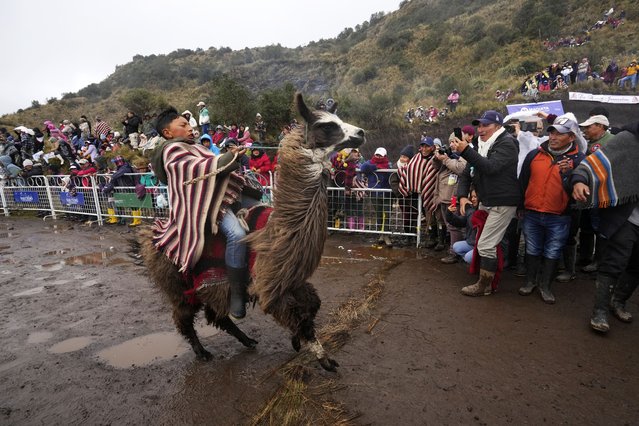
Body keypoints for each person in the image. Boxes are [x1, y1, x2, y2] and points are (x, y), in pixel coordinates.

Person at [151, 107, 253, 318]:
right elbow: (200, 170)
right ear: (167, 133)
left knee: (258, 208)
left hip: (220, 198)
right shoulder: (172, 151)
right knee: (237, 235)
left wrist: (231, 157)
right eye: (183, 125)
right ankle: (237, 293)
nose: (190, 128)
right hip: (201, 208)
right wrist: (228, 158)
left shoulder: (193, 147)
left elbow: (213, 166)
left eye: (189, 124)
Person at [571, 120, 639, 333]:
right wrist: (579, 180)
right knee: (613, 262)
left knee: (637, 266)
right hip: (627, 216)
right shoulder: (629, 140)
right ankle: (599, 311)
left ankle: (618, 301)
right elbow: (592, 164)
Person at [451, 110, 520, 296]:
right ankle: (486, 277)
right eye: (479, 125)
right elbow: (467, 172)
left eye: (486, 125)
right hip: (487, 200)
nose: (480, 129)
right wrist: (462, 196)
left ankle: (485, 285)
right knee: (486, 242)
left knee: (486, 245)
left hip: (502, 202)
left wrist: (466, 151)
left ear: (497, 126)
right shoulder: (479, 145)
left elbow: (490, 167)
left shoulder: (508, 143)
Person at [518, 116, 585, 303]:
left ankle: (545, 286)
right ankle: (530, 281)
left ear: (571, 137)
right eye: (552, 133)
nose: (553, 137)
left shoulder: (579, 160)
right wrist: (521, 206)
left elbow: (580, 191)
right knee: (532, 247)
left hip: (559, 216)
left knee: (553, 250)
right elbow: (523, 182)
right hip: (532, 212)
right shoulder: (534, 154)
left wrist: (569, 174)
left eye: (560, 134)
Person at [433, 133, 468, 263]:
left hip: (453, 197)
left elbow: (461, 168)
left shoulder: (465, 154)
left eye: (455, 141)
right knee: (449, 225)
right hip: (444, 196)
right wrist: (438, 158)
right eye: (451, 142)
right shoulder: (449, 154)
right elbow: (436, 167)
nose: (453, 144)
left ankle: (455, 253)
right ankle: (455, 250)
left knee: (454, 226)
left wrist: (446, 159)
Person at [360, 147, 392, 246]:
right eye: (377, 155)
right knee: (378, 213)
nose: (378, 157)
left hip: (386, 193)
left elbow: (390, 175)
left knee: (386, 213)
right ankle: (381, 234)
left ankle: (386, 234)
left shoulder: (388, 165)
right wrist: (375, 167)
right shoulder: (370, 163)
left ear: (385, 156)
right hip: (375, 193)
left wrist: (378, 168)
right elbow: (363, 168)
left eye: (380, 155)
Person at [446, 188, 479, 264]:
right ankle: (474, 262)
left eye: (476, 197)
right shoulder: (470, 210)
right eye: (472, 197)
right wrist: (449, 213)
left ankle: (478, 263)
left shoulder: (484, 211)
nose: (473, 199)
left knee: (468, 257)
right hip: (472, 242)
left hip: (482, 245)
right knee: (456, 247)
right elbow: (460, 222)